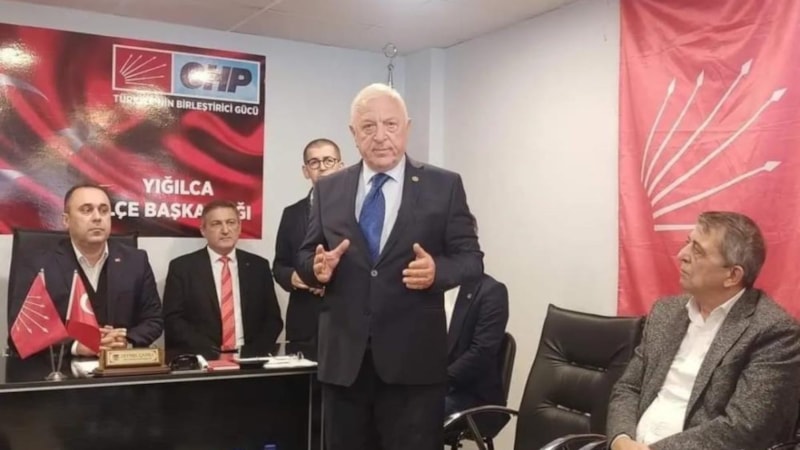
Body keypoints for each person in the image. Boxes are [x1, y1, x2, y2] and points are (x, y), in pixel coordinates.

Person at [297, 83, 483, 450]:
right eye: (368, 126)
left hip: (413, 367)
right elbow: (306, 256)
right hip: (344, 367)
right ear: (353, 133)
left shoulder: (443, 185)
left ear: (407, 128)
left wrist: (437, 272)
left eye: (391, 124)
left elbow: (471, 259)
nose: (380, 136)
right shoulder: (329, 188)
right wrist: (316, 268)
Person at [607, 211, 800, 450]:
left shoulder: (774, 332)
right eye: (688, 242)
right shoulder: (666, 312)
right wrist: (621, 439)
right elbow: (628, 387)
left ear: (732, 275)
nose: (682, 255)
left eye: (697, 251)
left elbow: (743, 427)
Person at [7, 183, 163, 356]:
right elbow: (21, 332)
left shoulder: (135, 261)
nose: (97, 218)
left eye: (104, 210)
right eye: (86, 210)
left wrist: (125, 341)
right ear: (66, 220)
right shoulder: (38, 264)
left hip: (119, 364)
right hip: (60, 367)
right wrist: (76, 347)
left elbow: (154, 320)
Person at [163, 200, 283, 357]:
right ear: (203, 230)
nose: (225, 230)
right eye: (216, 224)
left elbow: (273, 320)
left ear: (239, 227)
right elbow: (173, 320)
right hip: (202, 358)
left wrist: (253, 353)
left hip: (250, 359)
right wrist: (212, 354)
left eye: (231, 222)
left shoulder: (258, 266)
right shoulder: (182, 268)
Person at [273, 138, 344, 343]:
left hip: (347, 320)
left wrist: (329, 282)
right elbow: (279, 265)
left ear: (341, 166)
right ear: (306, 171)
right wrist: (294, 277)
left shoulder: (360, 210)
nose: (322, 167)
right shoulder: (291, 214)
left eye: (329, 160)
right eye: (314, 162)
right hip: (305, 320)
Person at [445, 273, 509, 416]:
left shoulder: (491, 292)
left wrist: (435, 384)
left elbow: (481, 353)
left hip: (469, 393)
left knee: (415, 413)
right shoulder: (428, 287)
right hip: (428, 387)